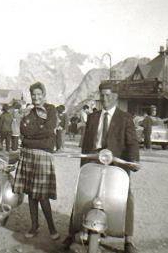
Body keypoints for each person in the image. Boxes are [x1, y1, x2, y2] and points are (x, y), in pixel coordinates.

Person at [63, 82, 140, 253]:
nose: (104, 98)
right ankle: (72, 232)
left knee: (127, 196)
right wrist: (83, 166)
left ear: (115, 97)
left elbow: (132, 142)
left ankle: (129, 239)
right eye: (102, 95)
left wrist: (133, 160)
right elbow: (87, 143)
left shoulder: (125, 118)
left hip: (116, 163)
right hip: (94, 160)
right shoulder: (93, 117)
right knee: (82, 194)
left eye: (108, 95)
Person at [12, 81, 60, 240]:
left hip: (43, 155)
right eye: (34, 95)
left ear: (44, 95)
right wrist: (38, 133)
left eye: (39, 94)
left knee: (42, 195)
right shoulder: (29, 112)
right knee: (31, 194)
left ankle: (52, 228)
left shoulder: (51, 109)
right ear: (30, 96)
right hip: (28, 154)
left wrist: (31, 136)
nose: (36, 97)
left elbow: (49, 129)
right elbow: (23, 130)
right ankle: (34, 226)